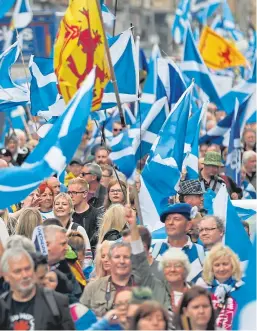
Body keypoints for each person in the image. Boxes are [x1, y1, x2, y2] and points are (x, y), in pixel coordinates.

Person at [0, 247, 75, 330]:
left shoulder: (56, 302)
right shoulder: (2, 306)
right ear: (6, 276)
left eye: (27, 269)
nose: (25, 275)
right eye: (18, 271)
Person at [151, 203, 205, 283]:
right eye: (168, 219)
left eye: (176, 219)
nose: (170, 223)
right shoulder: (153, 251)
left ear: (188, 225)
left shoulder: (202, 254)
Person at [197, 244, 244, 330]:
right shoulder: (201, 289)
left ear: (233, 265)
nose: (221, 269)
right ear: (211, 267)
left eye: (225, 264)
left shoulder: (242, 289)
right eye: (217, 265)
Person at [43, 225, 82, 304]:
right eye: (63, 244)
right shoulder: (29, 269)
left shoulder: (66, 267)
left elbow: (77, 299)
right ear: (47, 245)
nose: (67, 248)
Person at [53, 192, 92, 265]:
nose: (60, 206)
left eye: (64, 204)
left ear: (71, 208)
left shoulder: (78, 228)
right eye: (57, 204)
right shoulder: (49, 229)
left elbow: (88, 257)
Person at [67, 178, 100, 254]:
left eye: (74, 192)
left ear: (85, 194)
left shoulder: (97, 215)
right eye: (69, 192)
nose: (70, 196)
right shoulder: (66, 215)